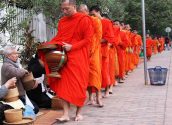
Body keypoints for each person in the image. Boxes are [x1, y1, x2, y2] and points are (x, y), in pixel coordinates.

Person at [39, 0, 94, 122]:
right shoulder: (62, 21)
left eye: (67, 9)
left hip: (79, 56)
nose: (64, 12)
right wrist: (48, 45)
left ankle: (79, 112)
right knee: (63, 85)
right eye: (62, 9)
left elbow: (88, 39)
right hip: (64, 58)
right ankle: (65, 114)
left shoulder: (84, 19)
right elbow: (60, 37)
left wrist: (72, 47)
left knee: (79, 85)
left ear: (74, 6)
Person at [1, 45, 39, 114]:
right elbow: (16, 73)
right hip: (12, 96)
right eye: (15, 53)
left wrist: (32, 83)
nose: (17, 55)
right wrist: (23, 70)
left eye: (17, 53)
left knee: (35, 108)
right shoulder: (6, 65)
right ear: (8, 56)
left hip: (21, 94)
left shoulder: (15, 64)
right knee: (33, 109)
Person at [78, 4, 103, 107]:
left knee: (96, 74)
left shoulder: (95, 20)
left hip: (94, 51)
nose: (80, 14)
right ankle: (90, 97)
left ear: (86, 11)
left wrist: (92, 49)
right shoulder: (79, 22)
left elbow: (98, 35)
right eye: (79, 12)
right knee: (86, 76)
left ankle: (98, 97)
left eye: (82, 12)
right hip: (83, 51)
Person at [90, 5, 115, 98]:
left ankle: (107, 90)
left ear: (98, 12)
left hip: (103, 50)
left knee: (104, 71)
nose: (92, 16)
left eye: (93, 14)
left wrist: (97, 41)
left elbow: (110, 37)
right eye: (91, 15)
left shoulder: (107, 22)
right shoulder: (92, 22)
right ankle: (97, 91)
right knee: (95, 71)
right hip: (94, 50)